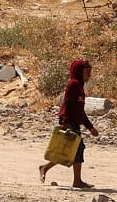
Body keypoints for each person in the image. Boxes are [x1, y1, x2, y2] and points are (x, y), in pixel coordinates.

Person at [39, 58, 100, 189]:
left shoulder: (80, 87)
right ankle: (77, 181)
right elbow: (67, 104)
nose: (89, 76)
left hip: (74, 122)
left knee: (68, 150)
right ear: (79, 72)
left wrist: (90, 127)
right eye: (87, 73)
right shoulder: (73, 85)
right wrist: (64, 122)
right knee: (77, 149)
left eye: (90, 73)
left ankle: (45, 167)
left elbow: (80, 111)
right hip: (69, 122)